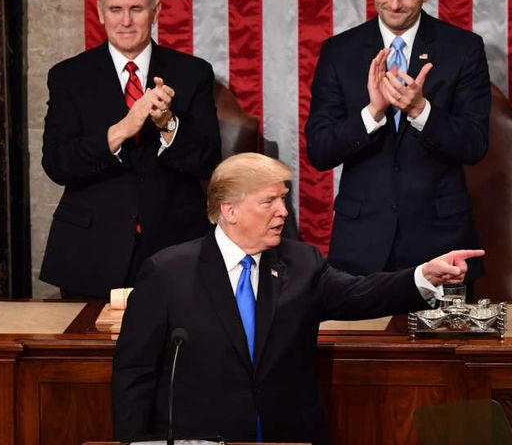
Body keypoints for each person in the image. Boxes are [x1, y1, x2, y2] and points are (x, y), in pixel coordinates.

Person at [112, 153, 483, 444]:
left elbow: (361, 294)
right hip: (204, 438)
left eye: (283, 200)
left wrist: (423, 275)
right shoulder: (167, 272)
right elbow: (135, 373)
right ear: (230, 210)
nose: (283, 212)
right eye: (269, 201)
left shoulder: (301, 263)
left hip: (287, 436)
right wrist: (131, 444)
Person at [305, 0, 491, 283]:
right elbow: (320, 150)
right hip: (361, 244)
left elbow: (475, 144)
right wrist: (372, 113)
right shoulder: (339, 51)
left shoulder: (462, 49)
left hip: (439, 239)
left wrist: (421, 110)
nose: (394, 4)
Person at [40, 0, 221, 299]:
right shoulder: (68, 76)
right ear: (100, 12)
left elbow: (208, 160)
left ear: (156, 11)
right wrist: (121, 130)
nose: (125, 21)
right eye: (116, 10)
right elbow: (57, 163)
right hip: (91, 250)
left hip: (175, 247)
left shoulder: (193, 72)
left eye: (136, 9)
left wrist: (167, 123)